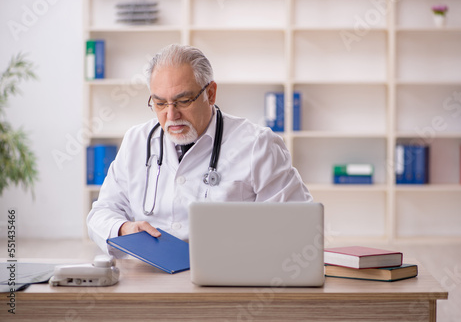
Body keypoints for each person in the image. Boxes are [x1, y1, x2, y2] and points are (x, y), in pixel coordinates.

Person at [87, 44, 312, 257]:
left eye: (183, 101)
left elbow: (297, 223)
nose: (171, 115)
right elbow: (102, 212)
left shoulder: (258, 145)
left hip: (227, 277)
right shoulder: (136, 141)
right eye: (160, 103)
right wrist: (123, 229)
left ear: (211, 94)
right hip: (148, 274)